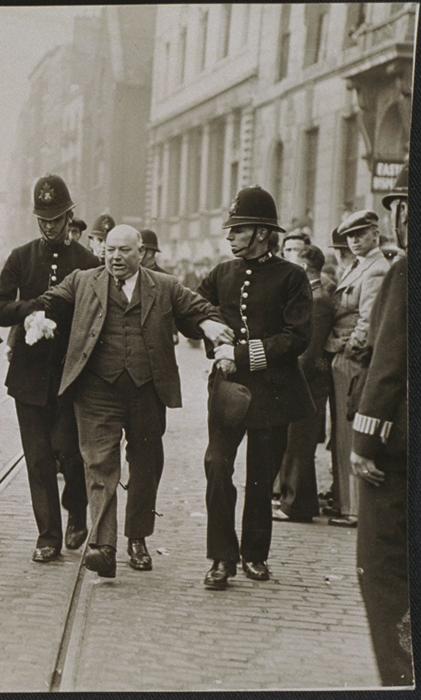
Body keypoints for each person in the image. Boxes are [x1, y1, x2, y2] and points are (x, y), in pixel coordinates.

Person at [22, 225, 231, 577]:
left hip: (146, 389)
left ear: (141, 253)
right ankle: (104, 546)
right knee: (99, 465)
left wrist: (209, 326)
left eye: (124, 251)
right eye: (110, 250)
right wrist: (38, 316)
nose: (115, 257)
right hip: (96, 389)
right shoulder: (82, 280)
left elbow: (197, 310)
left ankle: (137, 537)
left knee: (145, 465)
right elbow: (52, 301)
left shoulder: (163, 286)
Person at [196, 185, 313, 590]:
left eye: (238, 229)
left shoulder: (293, 277)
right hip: (227, 392)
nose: (229, 237)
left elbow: (297, 337)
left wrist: (240, 354)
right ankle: (221, 558)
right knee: (216, 468)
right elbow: (196, 309)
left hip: (274, 393)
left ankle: (255, 555)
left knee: (261, 481)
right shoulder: (220, 273)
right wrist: (211, 331)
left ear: (263, 233)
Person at [0, 174, 98, 563]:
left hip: (71, 377)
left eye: (56, 218)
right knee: (36, 458)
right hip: (29, 377)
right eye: (43, 219)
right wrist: (28, 309)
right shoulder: (21, 257)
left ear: (70, 216)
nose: (49, 226)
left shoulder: (87, 262)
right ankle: (48, 535)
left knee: (70, 452)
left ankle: (77, 511)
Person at [351, 159, 411, 686]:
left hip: (400, 455)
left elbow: (389, 363)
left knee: (385, 574)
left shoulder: (405, 270)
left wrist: (364, 442)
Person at [323, 209, 390, 527]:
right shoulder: (358, 267)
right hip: (341, 358)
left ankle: (353, 510)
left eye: (360, 234)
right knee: (340, 432)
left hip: (352, 360)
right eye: (350, 236)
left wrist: (347, 351)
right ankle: (343, 501)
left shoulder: (376, 270)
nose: (354, 241)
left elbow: (367, 321)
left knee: (349, 432)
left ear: (375, 234)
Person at [272, 244, 335, 522]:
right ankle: (296, 501)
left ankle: (295, 504)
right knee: (295, 442)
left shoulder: (317, 299)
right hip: (305, 379)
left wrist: (288, 376)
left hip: (307, 382)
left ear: (306, 268)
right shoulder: (311, 295)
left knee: (299, 443)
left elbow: (310, 352)